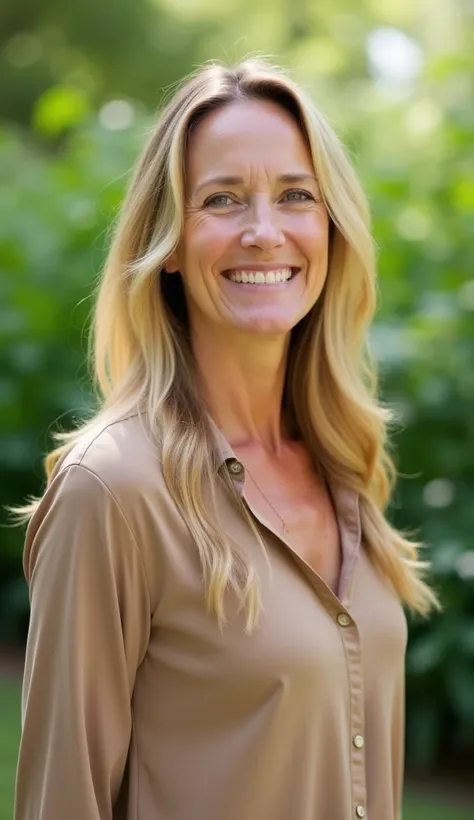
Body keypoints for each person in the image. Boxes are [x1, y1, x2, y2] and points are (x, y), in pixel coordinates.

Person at [13, 58, 438, 820]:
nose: (264, 231)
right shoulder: (113, 491)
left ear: (332, 230)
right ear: (169, 242)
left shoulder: (344, 466)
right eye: (222, 199)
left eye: (296, 196)